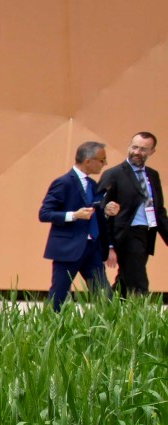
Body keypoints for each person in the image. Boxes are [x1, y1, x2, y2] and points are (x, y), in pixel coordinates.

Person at [40, 141, 120, 312]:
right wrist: (74, 215)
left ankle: (111, 331)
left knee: (104, 295)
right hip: (69, 248)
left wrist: (106, 210)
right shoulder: (64, 182)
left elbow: (94, 211)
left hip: (92, 248)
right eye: (101, 160)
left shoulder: (93, 185)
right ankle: (48, 330)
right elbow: (45, 213)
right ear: (88, 160)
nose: (104, 164)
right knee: (59, 294)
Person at [98, 131, 167, 297]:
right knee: (138, 282)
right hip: (126, 234)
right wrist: (108, 244)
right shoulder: (114, 174)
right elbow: (100, 207)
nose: (137, 152)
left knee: (125, 279)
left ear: (152, 152)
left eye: (143, 149)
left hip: (147, 233)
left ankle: (109, 313)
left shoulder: (153, 175)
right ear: (129, 146)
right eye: (134, 147)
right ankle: (140, 318)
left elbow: (159, 211)